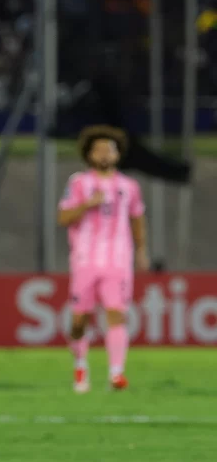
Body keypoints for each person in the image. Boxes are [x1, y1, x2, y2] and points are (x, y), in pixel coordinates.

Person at [57, 126, 149, 393]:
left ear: (118, 154)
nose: (104, 153)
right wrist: (87, 204)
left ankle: (116, 374)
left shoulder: (129, 187)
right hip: (85, 259)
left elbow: (137, 219)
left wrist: (141, 250)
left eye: (109, 149)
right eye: (98, 149)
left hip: (118, 259)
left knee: (116, 314)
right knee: (79, 320)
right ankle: (80, 366)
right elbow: (63, 218)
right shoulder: (78, 183)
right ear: (89, 154)